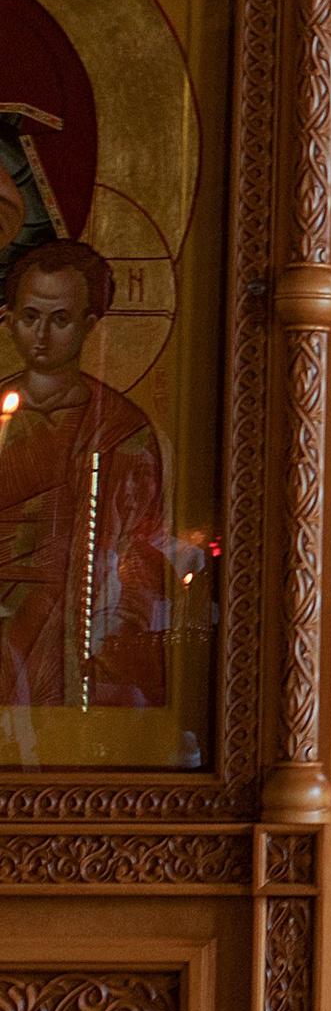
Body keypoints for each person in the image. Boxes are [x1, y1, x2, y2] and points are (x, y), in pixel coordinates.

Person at [0, 239, 172, 717]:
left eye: (60, 319)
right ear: (9, 319)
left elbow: (139, 557)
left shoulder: (119, 429)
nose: (42, 335)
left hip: (67, 631)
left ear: (89, 325)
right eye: (30, 316)